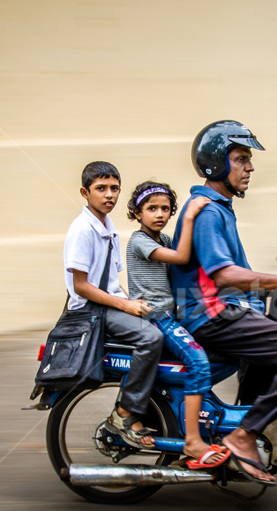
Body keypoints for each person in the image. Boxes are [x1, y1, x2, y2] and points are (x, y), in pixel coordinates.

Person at [170, 121, 277, 484]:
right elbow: (225, 276)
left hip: (221, 310)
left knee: (276, 333)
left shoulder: (221, 208)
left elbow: (242, 278)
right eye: (241, 159)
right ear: (217, 163)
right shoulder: (210, 212)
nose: (250, 167)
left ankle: (249, 432)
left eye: (248, 160)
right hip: (211, 315)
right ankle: (243, 436)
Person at [124, 180, 231, 469]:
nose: (159, 214)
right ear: (137, 212)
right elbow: (181, 257)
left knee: (228, 352)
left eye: (166, 209)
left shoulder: (165, 240)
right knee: (199, 362)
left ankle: (198, 412)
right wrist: (189, 215)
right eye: (151, 208)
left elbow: (187, 263)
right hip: (155, 318)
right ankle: (193, 441)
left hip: (172, 315)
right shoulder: (139, 241)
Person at [63, 161, 163, 449]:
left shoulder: (108, 227)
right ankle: (124, 414)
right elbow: (81, 286)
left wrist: (130, 302)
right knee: (151, 337)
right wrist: (125, 306)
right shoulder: (83, 229)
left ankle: (154, 409)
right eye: (101, 189)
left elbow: (111, 280)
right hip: (91, 310)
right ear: (85, 192)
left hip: (109, 304)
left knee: (165, 326)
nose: (109, 195)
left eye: (114, 188)